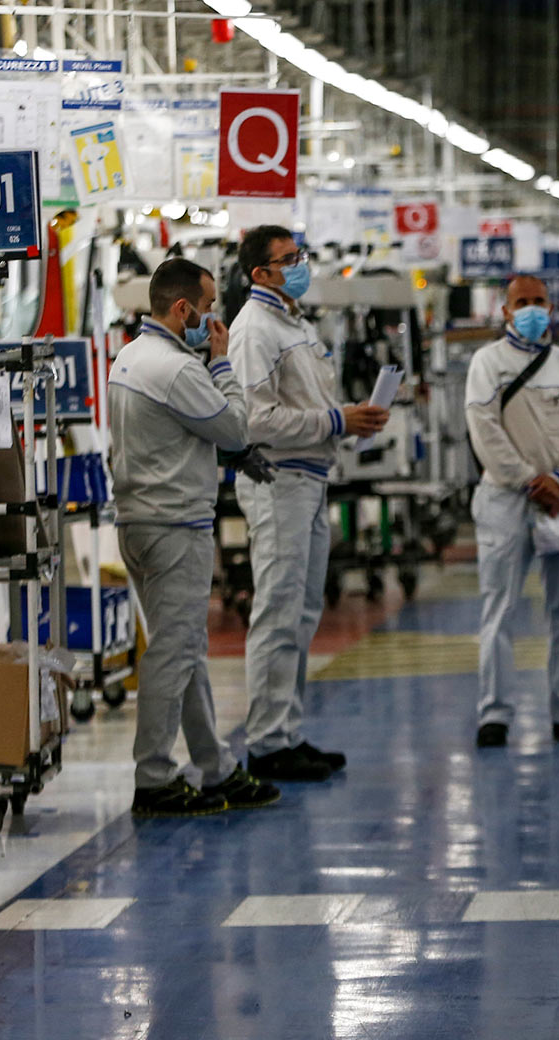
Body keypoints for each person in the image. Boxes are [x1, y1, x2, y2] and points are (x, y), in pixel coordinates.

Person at [109, 258, 280, 817]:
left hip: (139, 523)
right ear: (182, 309)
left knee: (184, 651)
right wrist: (223, 363)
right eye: (207, 309)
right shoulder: (178, 369)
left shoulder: (129, 357)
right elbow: (234, 427)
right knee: (172, 654)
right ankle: (154, 778)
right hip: (174, 526)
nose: (213, 321)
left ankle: (214, 767)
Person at [229, 226, 389, 783]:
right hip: (279, 483)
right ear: (260, 273)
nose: (301, 265)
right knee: (277, 614)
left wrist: (350, 417)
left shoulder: (294, 324)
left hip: (311, 480)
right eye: (288, 259)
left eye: (300, 255)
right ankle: (265, 743)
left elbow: (304, 403)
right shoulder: (254, 329)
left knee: (300, 614)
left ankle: (286, 733)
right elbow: (256, 420)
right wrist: (337, 419)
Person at [464, 274, 559, 749]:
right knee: (499, 609)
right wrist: (530, 480)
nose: (530, 309)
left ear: (551, 308)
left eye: (538, 301)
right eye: (521, 302)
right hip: (506, 500)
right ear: (505, 311)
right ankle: (494, 714)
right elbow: (484, 429)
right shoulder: (487, 363)